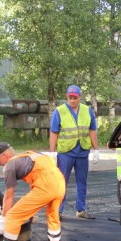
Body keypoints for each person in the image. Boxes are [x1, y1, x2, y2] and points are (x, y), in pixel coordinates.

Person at [0, 142, 66, 241]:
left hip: (45, 187)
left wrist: (3, 219)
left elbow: (8, 196)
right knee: (53, 214)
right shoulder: (29, 154)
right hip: (60, 184)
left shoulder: (10, 165)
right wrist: (30, 211)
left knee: (13, 217)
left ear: (5, 155)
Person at [48, 85, 99, 220]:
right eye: (70, 98)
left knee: (82, 181)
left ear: (80, 97)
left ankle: (81, 210)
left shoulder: (87, 111)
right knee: (61, 182)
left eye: (75, 98)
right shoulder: (59, 111)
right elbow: (54, 132)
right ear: (67, 97)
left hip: (82, 151)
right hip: (65, 152)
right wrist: (52, 153)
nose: (72, 100)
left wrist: (96, 149)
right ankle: (58, 211)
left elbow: (92, 130)